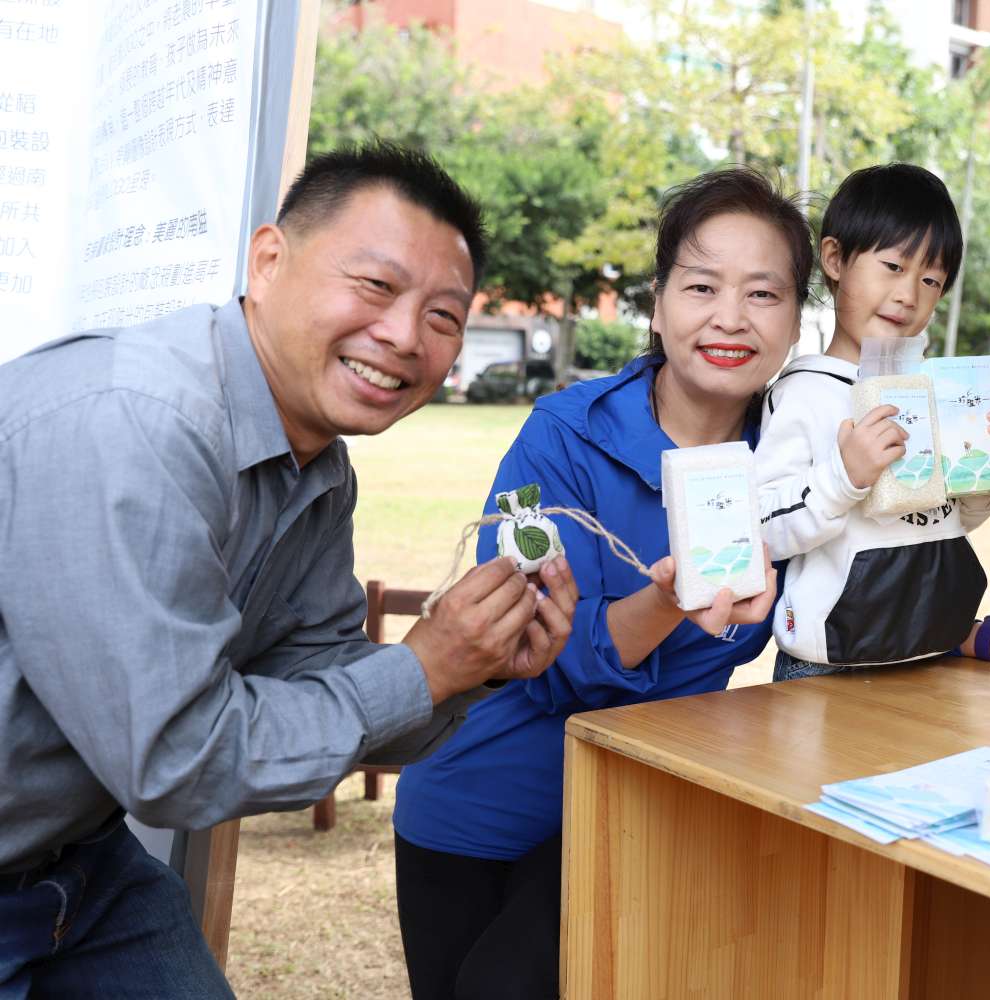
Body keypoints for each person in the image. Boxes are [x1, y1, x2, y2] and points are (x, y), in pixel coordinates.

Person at [0, 144, 578, 997]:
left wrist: (473, 668)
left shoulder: (318, 467)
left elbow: (316, 675)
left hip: (76, 861)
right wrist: (424, 667)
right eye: (376, 287)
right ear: (268, 260)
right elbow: (177, 760)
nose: (403, 336)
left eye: (444, 317)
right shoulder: (136, 425)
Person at [391, 167, 798, 1000]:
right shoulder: (565, 436)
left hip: (643, 808)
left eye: (764, 293)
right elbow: (522, 644)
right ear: (657, 305)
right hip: (483, 802)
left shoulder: (800, 461)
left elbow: (862, 597)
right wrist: (664, 602)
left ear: (796, 318)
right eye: (701, 286)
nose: (730, 317)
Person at [757, 163, 990, 679]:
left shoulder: (929, 392)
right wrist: (843, 476)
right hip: (830, 668)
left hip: (936, 656)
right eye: (893, 266)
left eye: (931, 278)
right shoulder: (804, 391)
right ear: (835, 259)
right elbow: (761, 530)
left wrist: (980, 476)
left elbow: (945, 525)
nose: (908, 293)